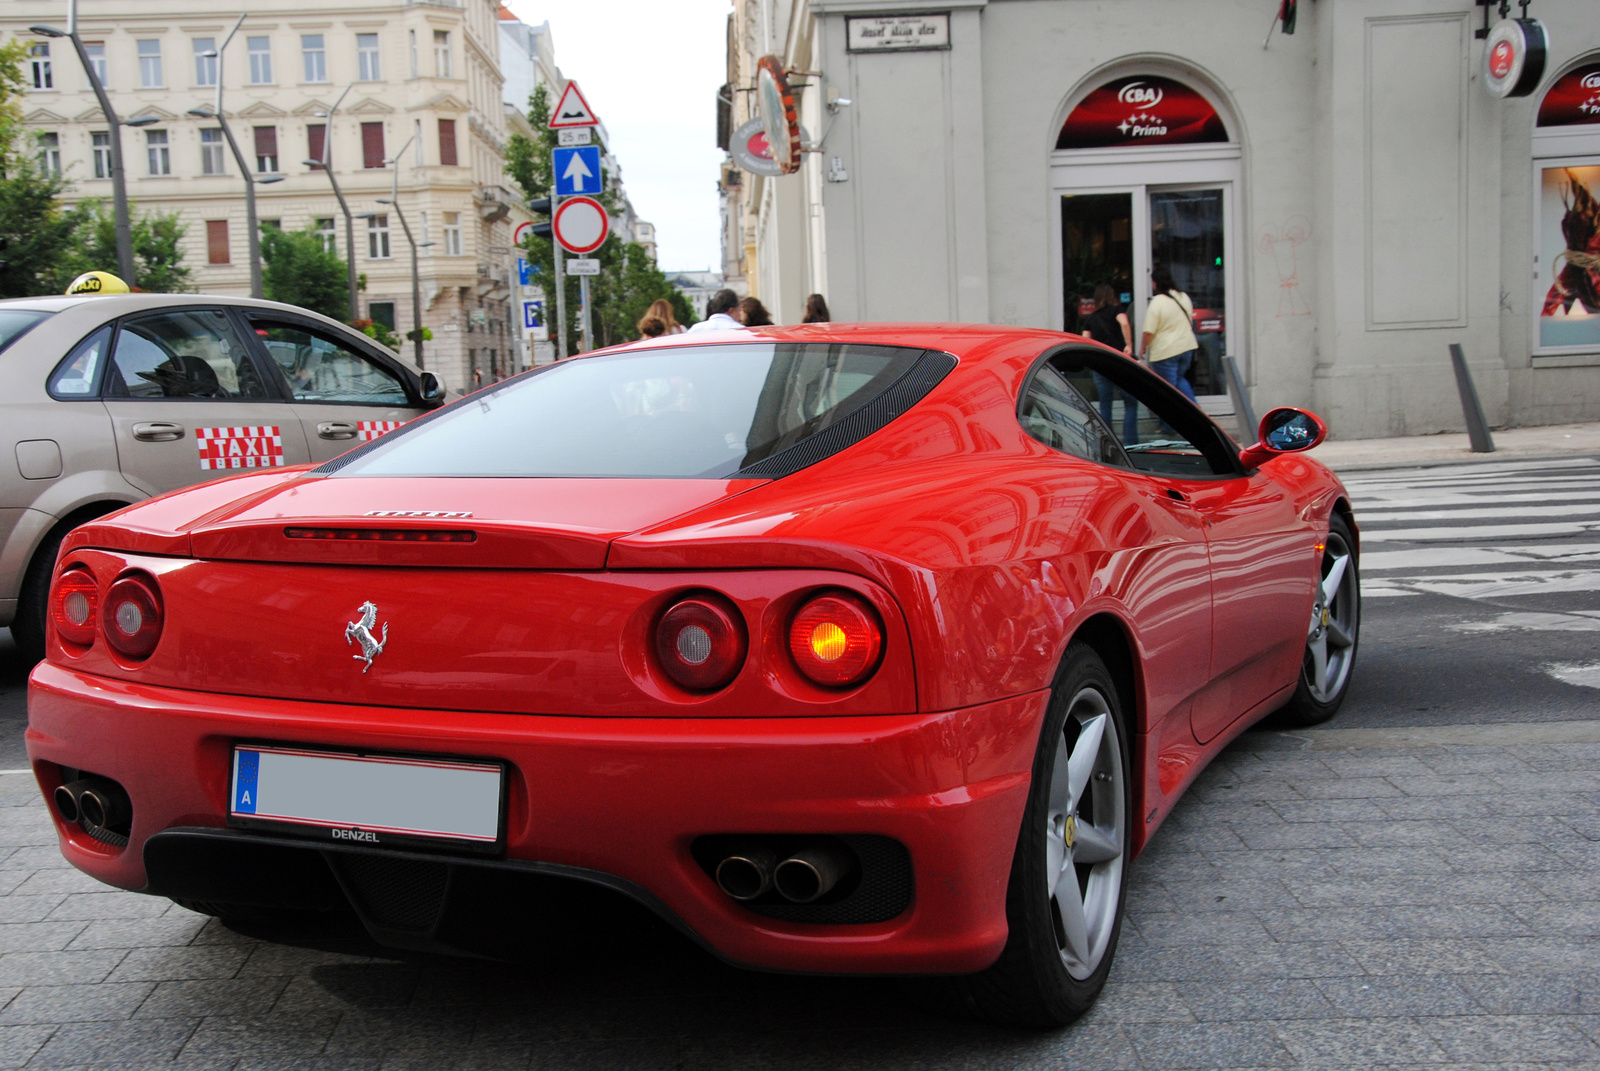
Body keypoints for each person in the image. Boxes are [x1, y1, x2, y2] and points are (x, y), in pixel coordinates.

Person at [1079, 283, 1138, 444]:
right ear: (1112, 297)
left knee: (1105, 404)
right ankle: (1131, 443)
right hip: (1118, 362)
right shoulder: (1116, 310)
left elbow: (1084, 341)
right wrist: (1128, 345)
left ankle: (1107, 444)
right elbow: (1124, 323)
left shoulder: (1091, 318)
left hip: (1100, 365)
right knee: (1131, 402)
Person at [1140, 265, 1199, 403]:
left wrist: (1142, 348)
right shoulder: (1183, 297)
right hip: (1186, 348)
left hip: (1166, 353)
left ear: (1156, 282)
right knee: (1179, 381)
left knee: (1167, 392)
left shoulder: (1157, 302)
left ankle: (1171, 424)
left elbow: (1148, 332)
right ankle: (1196, 413)